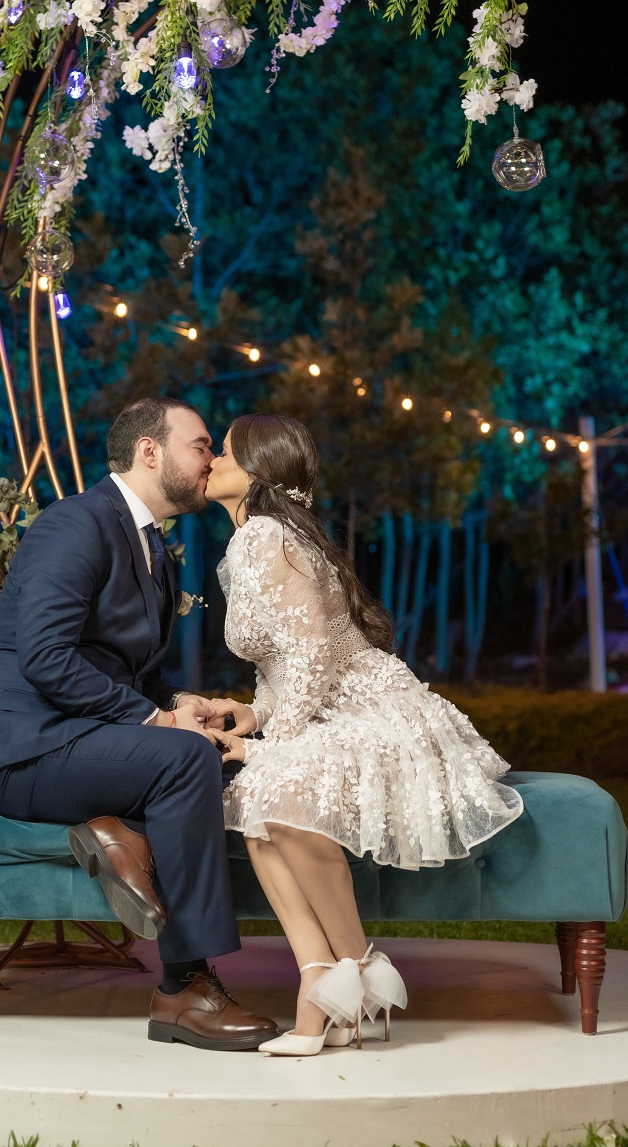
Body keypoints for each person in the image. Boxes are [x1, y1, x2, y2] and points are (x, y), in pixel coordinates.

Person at [0, 396, 278, 1052]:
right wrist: (157, 722)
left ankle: (113, 829)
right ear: (150, 451)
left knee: (229, 743)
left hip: (80, 739)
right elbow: (44, 657)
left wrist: (181, 703)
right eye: (200, 444)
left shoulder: (157, 549)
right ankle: (183, 988)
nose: (211, 460)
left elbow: (130, 673)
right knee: (184, 758)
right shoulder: (76, 523)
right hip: (18, 751)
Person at [204, 413, 524, 1056]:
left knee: (278, 790)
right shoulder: (263, 537)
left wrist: (271, 742)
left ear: (258, 472)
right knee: (258, 812)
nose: (211, 461)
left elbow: (316, 654)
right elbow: (286, 659)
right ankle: (326, 982)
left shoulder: (264, 536)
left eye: (226, 453)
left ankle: (347, 977)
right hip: (330, 707)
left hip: (374, 711)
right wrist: (257, 716)